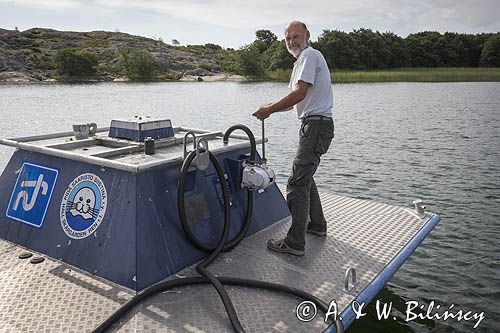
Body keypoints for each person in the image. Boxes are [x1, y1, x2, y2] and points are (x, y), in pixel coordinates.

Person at [252, 20, 334, 256]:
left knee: (297, 182)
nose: (291, 41)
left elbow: (299, 93)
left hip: (316, 126)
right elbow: (296, 98)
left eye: (295, 36)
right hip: (316, 125)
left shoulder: (309, 56)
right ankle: (316, 226)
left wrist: (270, 110)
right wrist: (270, 105)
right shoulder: (303, 61)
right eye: (287, 38)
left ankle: (295, 242)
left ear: (307, 35)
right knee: (305, 176)